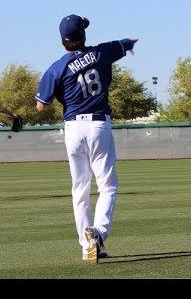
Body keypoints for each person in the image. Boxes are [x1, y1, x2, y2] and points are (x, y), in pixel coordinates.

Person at [35, 14, 138, 264]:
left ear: (63, 41)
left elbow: (40, 106)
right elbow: (127, 42)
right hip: (98, 125)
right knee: (107, 185)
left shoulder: (56, 67)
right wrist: (132, 43)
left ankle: (86, 246)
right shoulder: (103, 53)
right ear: (84, 36)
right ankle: (99, 235)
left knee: (79, 189)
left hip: (72, 128)